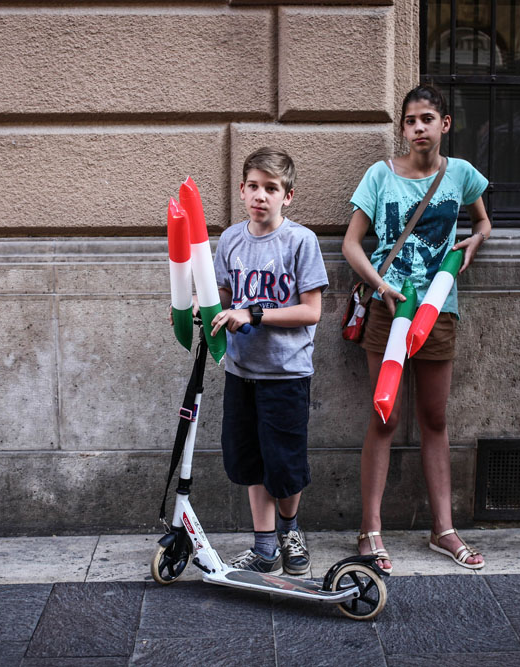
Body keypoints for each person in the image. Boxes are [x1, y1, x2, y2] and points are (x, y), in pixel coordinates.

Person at [341, 85, 491, 573]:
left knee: (435, 420)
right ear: (402, 128)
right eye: (410, 121)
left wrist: (474, 241)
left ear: (445, 124)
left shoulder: (462, 175)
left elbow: (484, 222)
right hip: (389, 307)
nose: (418, 127)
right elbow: (351, 244)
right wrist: (380, 284)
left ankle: (442, 529)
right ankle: (370, 530)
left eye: (428, 118)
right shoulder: (380, 176)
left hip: (438, 310)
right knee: (384, 416)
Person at [210, 147, 328, 575]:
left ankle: (289, 531)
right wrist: (194, 310)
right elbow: (223, 299)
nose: (261, 195)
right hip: (242, 373)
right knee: (252, 460)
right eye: (254, 187)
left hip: (286, 374)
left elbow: (311, 311)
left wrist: (254, 313)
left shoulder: (301, 241)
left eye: (271, 188)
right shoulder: (229, 240)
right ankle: (263, 548)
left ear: (288, 196)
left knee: (285, 463)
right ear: (242, 191)